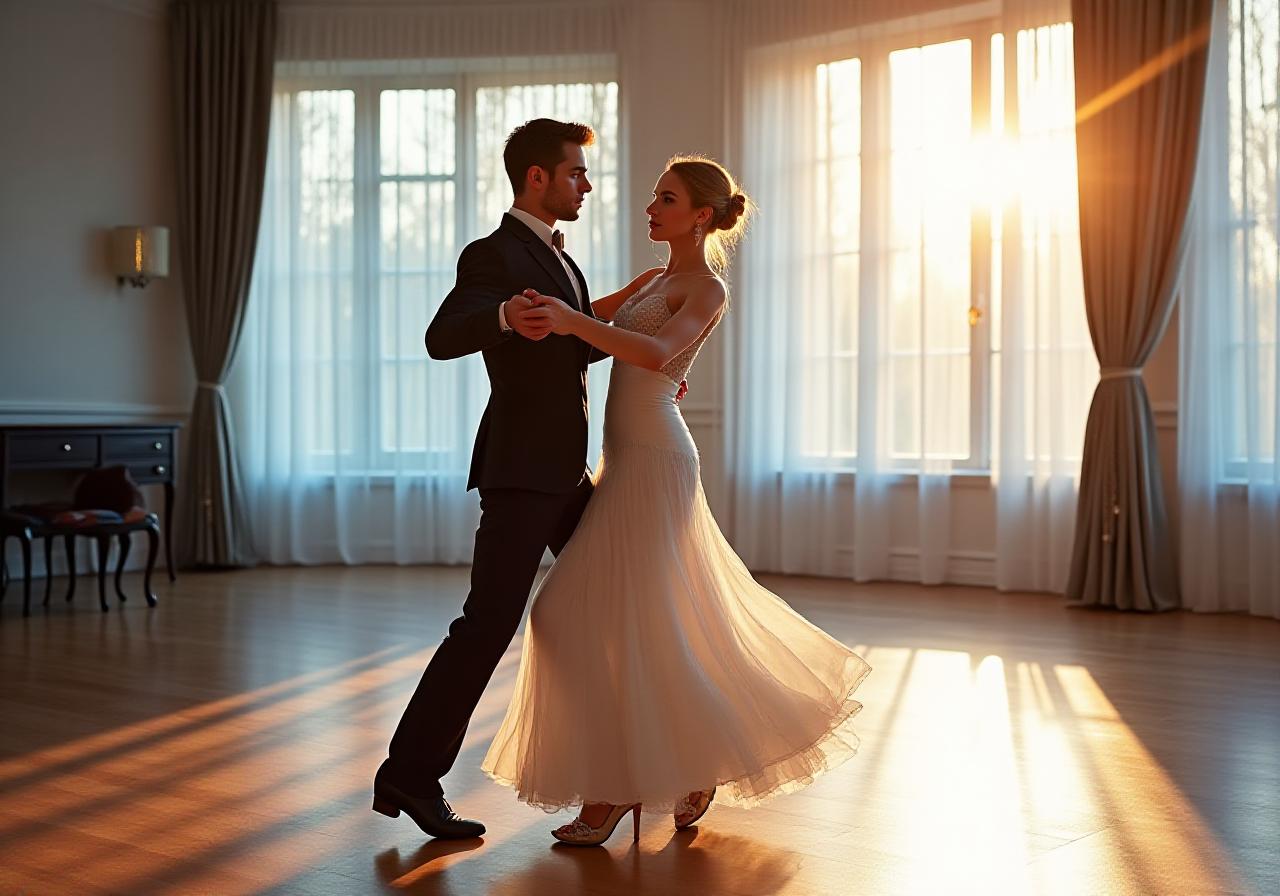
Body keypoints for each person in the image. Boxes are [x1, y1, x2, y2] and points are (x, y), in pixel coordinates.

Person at [480, 155, 872, 846]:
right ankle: (660, 769)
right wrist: (529, 309)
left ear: (701, 216)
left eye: (666, 199)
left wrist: (573, 322)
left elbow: (657, 351)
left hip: (659, 460)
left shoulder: (708, 289)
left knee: (619, 620)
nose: (651, 207)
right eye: (654, 196)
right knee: (578, 619)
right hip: (622, 461)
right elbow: (580, 326)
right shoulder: (655, 280)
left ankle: (614, 789)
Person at [372, 118, 673, 839]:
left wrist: (629, 301)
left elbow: (573, 342)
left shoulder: (561, 259)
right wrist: (505, 315)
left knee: (627, 598)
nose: (587, 185)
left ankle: (642, 766)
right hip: (522, 473)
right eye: (576, 173)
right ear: (537, 177)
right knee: (487, 625)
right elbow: (442, 336)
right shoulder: (493, 253)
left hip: (565, 474)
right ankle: (409, 775)